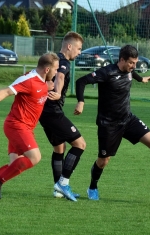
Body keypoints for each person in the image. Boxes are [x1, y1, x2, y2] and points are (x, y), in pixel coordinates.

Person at [75, 45, 150, 200]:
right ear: (121, 60)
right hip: (108, 124)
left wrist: (141, 79)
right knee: (103, 161)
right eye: (131, 63)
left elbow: (132, 73)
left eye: (135, 63)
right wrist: (81, 102)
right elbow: (81, 81)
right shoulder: (107, 72)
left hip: (128, 119)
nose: (134, 66)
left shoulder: (129, 71)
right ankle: (92, 187)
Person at [0, 52, 60, 202]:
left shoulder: (42, 81)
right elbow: (7, 91)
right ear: (47, 69)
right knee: (35, 157)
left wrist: (48, 87)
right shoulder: (29, 80)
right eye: (56, 69)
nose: (57, 72)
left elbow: (39, 89)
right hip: (17, 126)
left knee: (14, 164)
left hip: (24, 128)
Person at [39, 31, 86, 202]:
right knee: (80, 144)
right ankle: (63, 183)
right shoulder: (63, 62)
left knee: (59, 149)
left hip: (43, 112)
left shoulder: (52, 60)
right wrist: (58, 92)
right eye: (79, 48)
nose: (79, 52)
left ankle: (58, 190)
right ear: (69, 46)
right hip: (52, 111)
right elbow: (59, 76)